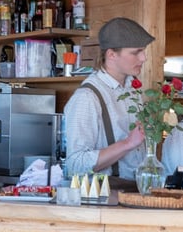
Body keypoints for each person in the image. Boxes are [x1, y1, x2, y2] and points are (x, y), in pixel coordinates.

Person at [64, 17, 155, 190]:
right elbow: (75, 165)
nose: (143, 58)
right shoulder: (87, 97)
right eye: (136, 52)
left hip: (136, 189)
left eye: (143, 51)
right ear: (111, 54)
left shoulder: (131, 89)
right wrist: (128, 143)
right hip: (104, 197)